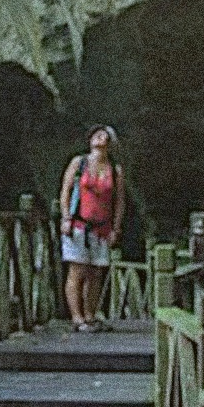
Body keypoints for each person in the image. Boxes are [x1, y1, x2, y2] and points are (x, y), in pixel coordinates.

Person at [58, 126, 125, 331]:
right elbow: (66, 191)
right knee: (77, 270)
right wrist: (66, 217)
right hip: (78, 224)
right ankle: (77, 318)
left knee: (96, 272)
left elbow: (120, 201)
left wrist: (116, 228)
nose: (99, 136)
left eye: (104, 135)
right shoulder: (79, 163)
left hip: (102, 228)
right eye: (96, 134)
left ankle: (90, 315)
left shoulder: (115, 170)